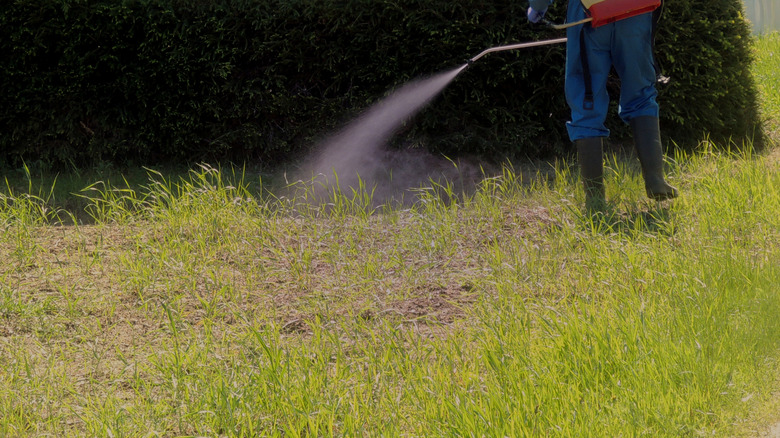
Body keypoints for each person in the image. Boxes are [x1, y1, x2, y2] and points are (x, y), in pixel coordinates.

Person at [527, 0, 678, 209]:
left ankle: (595, 199)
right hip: (635, 10)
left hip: (588, 14)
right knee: (641, 92)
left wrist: (538, 6)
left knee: (586, 99)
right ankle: (655, 180)